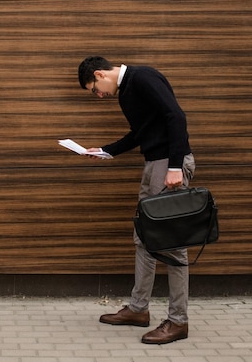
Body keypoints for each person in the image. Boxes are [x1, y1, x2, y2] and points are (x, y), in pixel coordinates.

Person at [77, 56, 195, 345]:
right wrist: (106, 150)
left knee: (172, 246)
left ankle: (178, 321)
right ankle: (138, 310)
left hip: (169, 165)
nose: (99, 95)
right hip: (154, 164)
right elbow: (139, 135)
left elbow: (176, 116)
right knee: (143, 238)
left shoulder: (143, 78)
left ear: (99, 74)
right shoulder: (127, 91)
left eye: (95, 89)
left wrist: (176, 167)